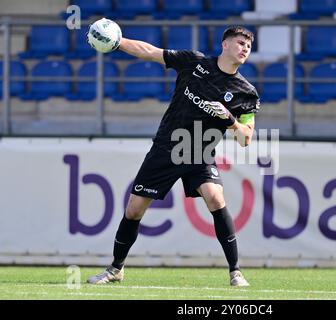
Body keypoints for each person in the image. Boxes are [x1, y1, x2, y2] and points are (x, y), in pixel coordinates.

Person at [87, 24, 260, 287]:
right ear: (224, 45)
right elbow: (150, 52)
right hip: (167, 147)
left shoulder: (245, 92)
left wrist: (231, 121)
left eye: (248, 46)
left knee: (215, 197)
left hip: (199, 151)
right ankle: (115, 269)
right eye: (239, 43)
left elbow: (246, 138)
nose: (245, 48)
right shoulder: (194, 62)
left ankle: (235, 272)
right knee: (134, 210)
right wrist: (117, 42)